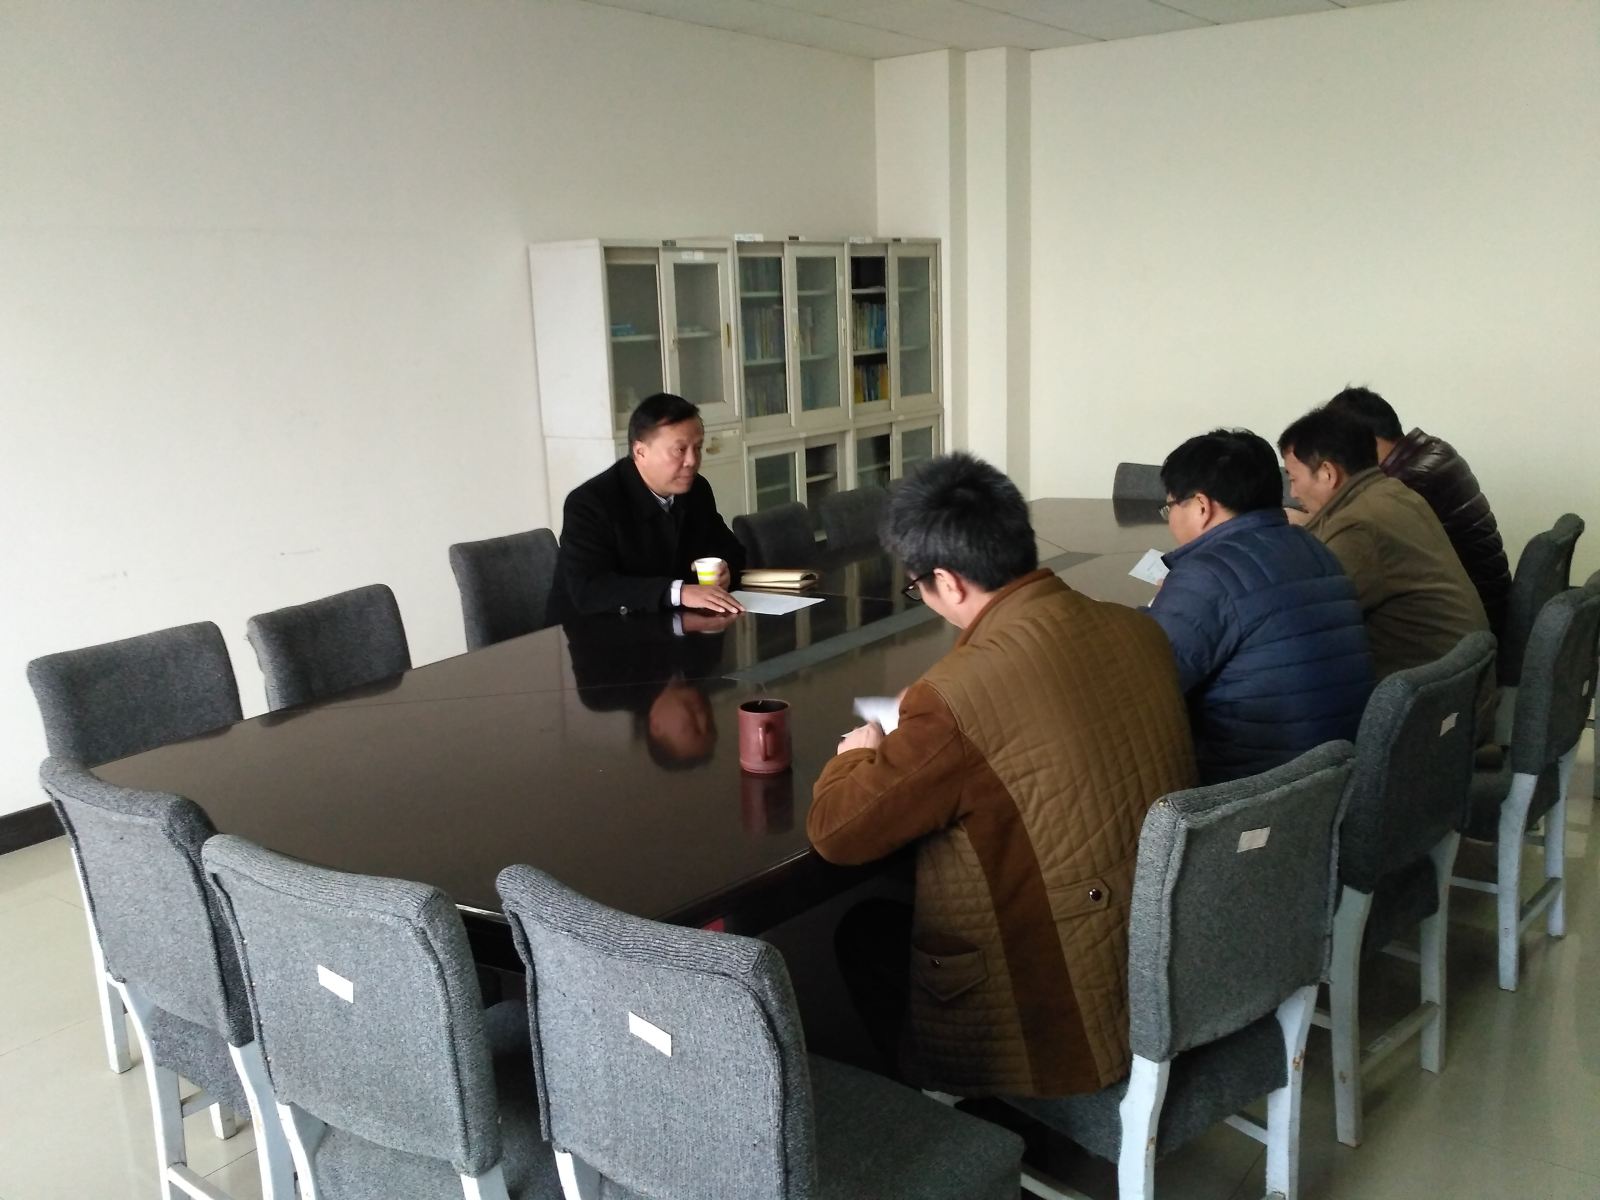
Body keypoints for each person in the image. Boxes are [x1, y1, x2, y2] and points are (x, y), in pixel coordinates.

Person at [807, 453, 1195, 1099]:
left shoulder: (955, 699)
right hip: (1164, 936)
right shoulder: (1137, 628)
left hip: (1072, 995)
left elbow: (836, 833)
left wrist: (860, 751)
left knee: (864, 930)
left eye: (919, 587)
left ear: (947, 581)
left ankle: (956, 1121)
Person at [1150, 429, 1373, 784]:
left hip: (1251, 788)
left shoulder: (1208, 574)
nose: (1170, 518)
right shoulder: (1315, 548)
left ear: (1201, 506)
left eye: (1170, 506)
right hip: (1334, 774)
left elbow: (1148, 682)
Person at [1279, 406, 1496, 739]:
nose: (1293, 492)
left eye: (1294, 479)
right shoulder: (1393, 492)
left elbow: (1307, 623)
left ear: (1327, 473)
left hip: (1429, 722)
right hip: (1458, 698)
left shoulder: (1358, 527)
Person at [1326, 386, 1511, 638]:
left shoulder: (1404, 484)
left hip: (1465, 628)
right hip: (1485, 607)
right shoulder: (1432, 452)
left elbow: (1355, 548)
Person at [553, 393, 746, 619]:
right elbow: (590, 588)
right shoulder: (590, 503)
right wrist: (677, 593)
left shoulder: (697, 490)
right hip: (597, 630)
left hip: (672, 624)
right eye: (680, 450)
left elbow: (731, 549)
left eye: (698, 448)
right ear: (640, 452)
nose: (692, 461)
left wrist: (725, 569)